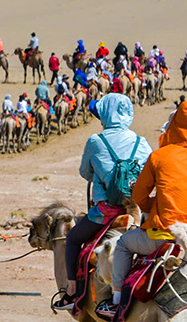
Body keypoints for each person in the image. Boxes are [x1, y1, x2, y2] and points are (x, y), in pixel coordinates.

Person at [97, 101, 187, 320]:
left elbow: (138, 196)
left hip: (164, 236)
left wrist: (151, 208)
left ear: (175, 124)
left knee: (123, 245)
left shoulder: (159, 157)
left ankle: (116, 301)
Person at [51, 94, 151, 309]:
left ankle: (70, 292)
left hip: (105, 212)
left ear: (106, 115)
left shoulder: (96, 141)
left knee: (73, 240)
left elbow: (85, 172)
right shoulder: (141, 142)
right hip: (136, 212)